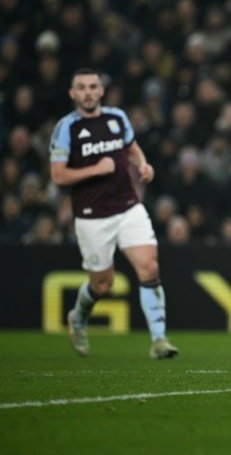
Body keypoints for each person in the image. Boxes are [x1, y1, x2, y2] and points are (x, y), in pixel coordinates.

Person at [49, 68, 179, 360]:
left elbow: (132, 149)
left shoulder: (117, 117)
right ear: (73, 93)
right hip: (91, 216)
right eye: (81, 87)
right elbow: (58, 176)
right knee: (102, 284)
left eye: (93, 86)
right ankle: (79, 316)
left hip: (128, 207)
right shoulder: (66, 128)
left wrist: (143, 164)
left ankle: (159, 340)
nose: (88, 92)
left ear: (101, 91)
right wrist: (96, 169)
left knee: (149, 267)